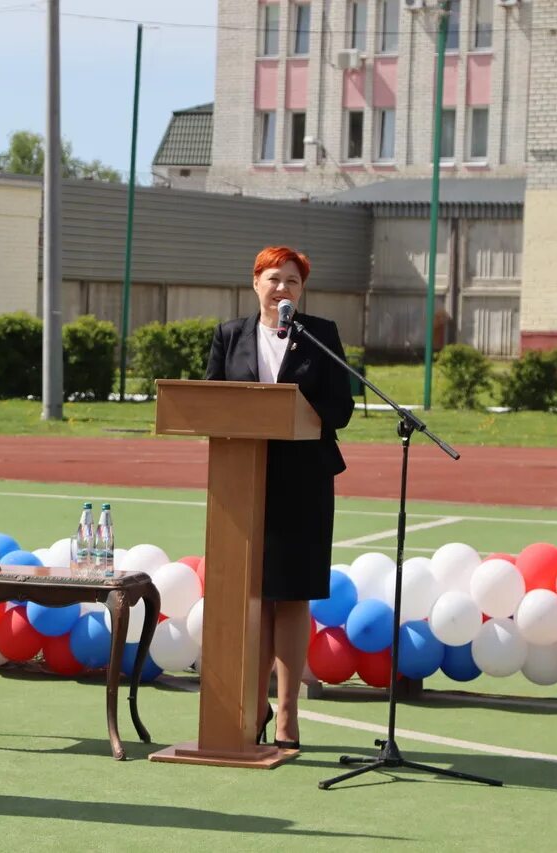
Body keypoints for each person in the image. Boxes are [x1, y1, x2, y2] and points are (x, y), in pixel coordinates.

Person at [203, 246, 353, 751]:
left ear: (301, 290)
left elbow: (341, 408)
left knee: (291, 597)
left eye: (292, 280)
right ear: (255, 284)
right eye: (273, 278)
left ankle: (287, 714)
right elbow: (209, 401)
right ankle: (253, 703)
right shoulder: (229, 336)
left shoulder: (321, 336)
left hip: (304, 482)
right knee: (252, 597)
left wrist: (297, 411)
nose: (282, 288)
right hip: (242, 480)